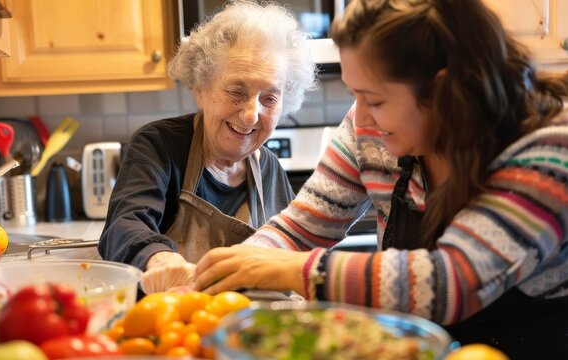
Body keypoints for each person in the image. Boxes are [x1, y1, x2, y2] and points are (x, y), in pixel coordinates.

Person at [194, 0, 568, 357]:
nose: (361, 117)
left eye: (374, 99)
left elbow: (453, 279)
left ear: (443, 91)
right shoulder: (371, 130)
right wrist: (237, 262)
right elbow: (301, 228)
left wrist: (292, 270)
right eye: (356, 96)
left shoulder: (549, 147)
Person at [98, 0, 316, 294]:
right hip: (170, 324)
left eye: (269, 98)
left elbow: (295, 255)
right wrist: (160, 259)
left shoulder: (270, 170)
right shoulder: (160, 145)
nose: (252, 114)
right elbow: (124, 225)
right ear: (200, 89)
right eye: (237, 92)